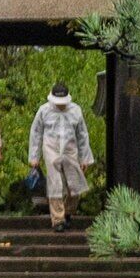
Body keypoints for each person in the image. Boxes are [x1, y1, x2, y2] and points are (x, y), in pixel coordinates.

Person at [28, 84, 94, 227]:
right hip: (51, 148)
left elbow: (82, 135)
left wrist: (84, 157)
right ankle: (58, 219)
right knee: (55, 183)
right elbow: (36, 133)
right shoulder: (44, 111)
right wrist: (34, 156)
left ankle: (68, 211)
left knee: (75, 185)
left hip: (70, 149)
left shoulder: (76, 111)